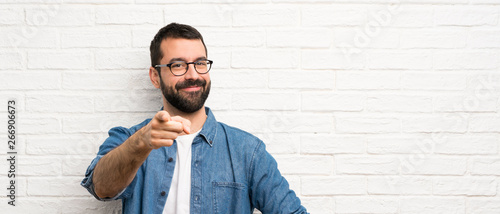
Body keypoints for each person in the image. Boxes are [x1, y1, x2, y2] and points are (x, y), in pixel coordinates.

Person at [81, 23, 308, 214]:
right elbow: (101, 187)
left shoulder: (247, 151)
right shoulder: (129, 139)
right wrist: (141, 143)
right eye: (178, 65)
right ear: (155, 76)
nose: (193, 75)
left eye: (200, 63)